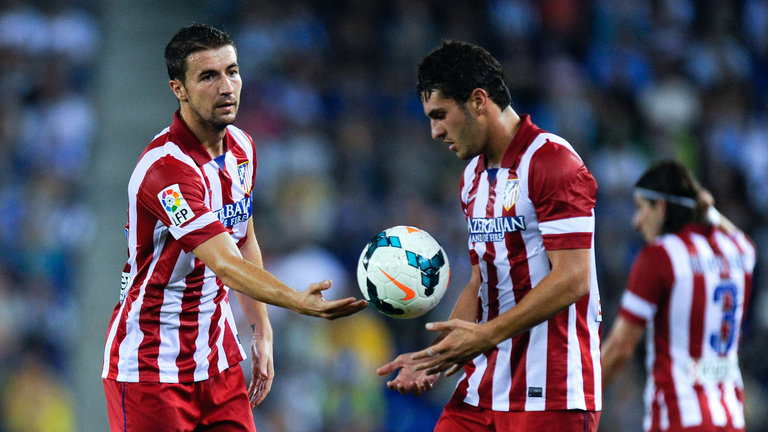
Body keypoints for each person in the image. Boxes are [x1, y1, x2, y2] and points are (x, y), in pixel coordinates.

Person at [101, 23, 367, 431]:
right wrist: (297, 301)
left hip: (218, 359)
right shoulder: (166, 170)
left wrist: (261, 330)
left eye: (232, 71)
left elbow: (244, 240)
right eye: (208, 76)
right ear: (178, 89)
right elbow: (224, 263)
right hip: (151, 367)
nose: (226, 87)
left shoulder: (243, 147)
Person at [377, 40, 602, 432]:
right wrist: (435, 358)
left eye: (441, 115)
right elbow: (480, 280)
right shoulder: (471, 179)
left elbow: (574, 276)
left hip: (552, 392)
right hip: (482, 389)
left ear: (478, 101)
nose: (435, 132)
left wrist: (485, 336)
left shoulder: (552, 161)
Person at [601, 160, 756, 432]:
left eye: (641, 207)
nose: (636, 222)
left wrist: (579, 398)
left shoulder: (659, 257)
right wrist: (708, 211)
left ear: (661, 207)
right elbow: (741, 238)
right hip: (731, 418)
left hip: (678, 420)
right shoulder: (739, 251)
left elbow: (620, 348)